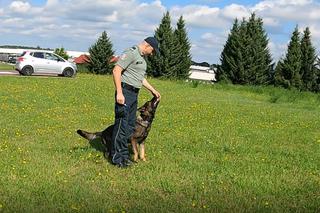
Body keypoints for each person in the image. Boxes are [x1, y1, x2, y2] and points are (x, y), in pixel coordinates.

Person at [109, 37, 161, 168]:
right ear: (148, 46)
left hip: (134, 94)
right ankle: (117, 158)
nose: (152, 53)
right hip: (125, 92)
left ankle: (124, 156)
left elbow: (140, 78)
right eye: (153, 51)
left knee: (130, 126)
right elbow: (116, 70)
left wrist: (153, 90)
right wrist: (119, 93)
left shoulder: (142, 59)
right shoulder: (131, 52)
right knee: (121, 125)